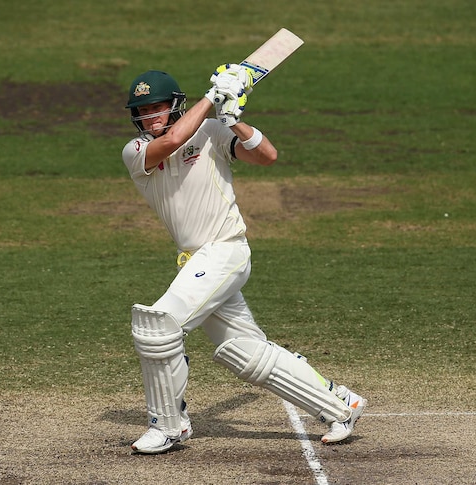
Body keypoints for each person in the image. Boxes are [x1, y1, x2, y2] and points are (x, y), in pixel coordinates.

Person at [120, 67, 366, 454]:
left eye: (158, 107)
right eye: (143, 110)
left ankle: (168, 426)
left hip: (226, 250)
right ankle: (341, 405)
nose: (150, 115)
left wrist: (233, 122)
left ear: (174, 105)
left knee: (160, 327)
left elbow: (268, 157)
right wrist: (213, 96)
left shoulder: (213, 131)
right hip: (196, 261)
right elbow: (172, 141)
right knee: (244, 352)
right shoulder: (135, 151)